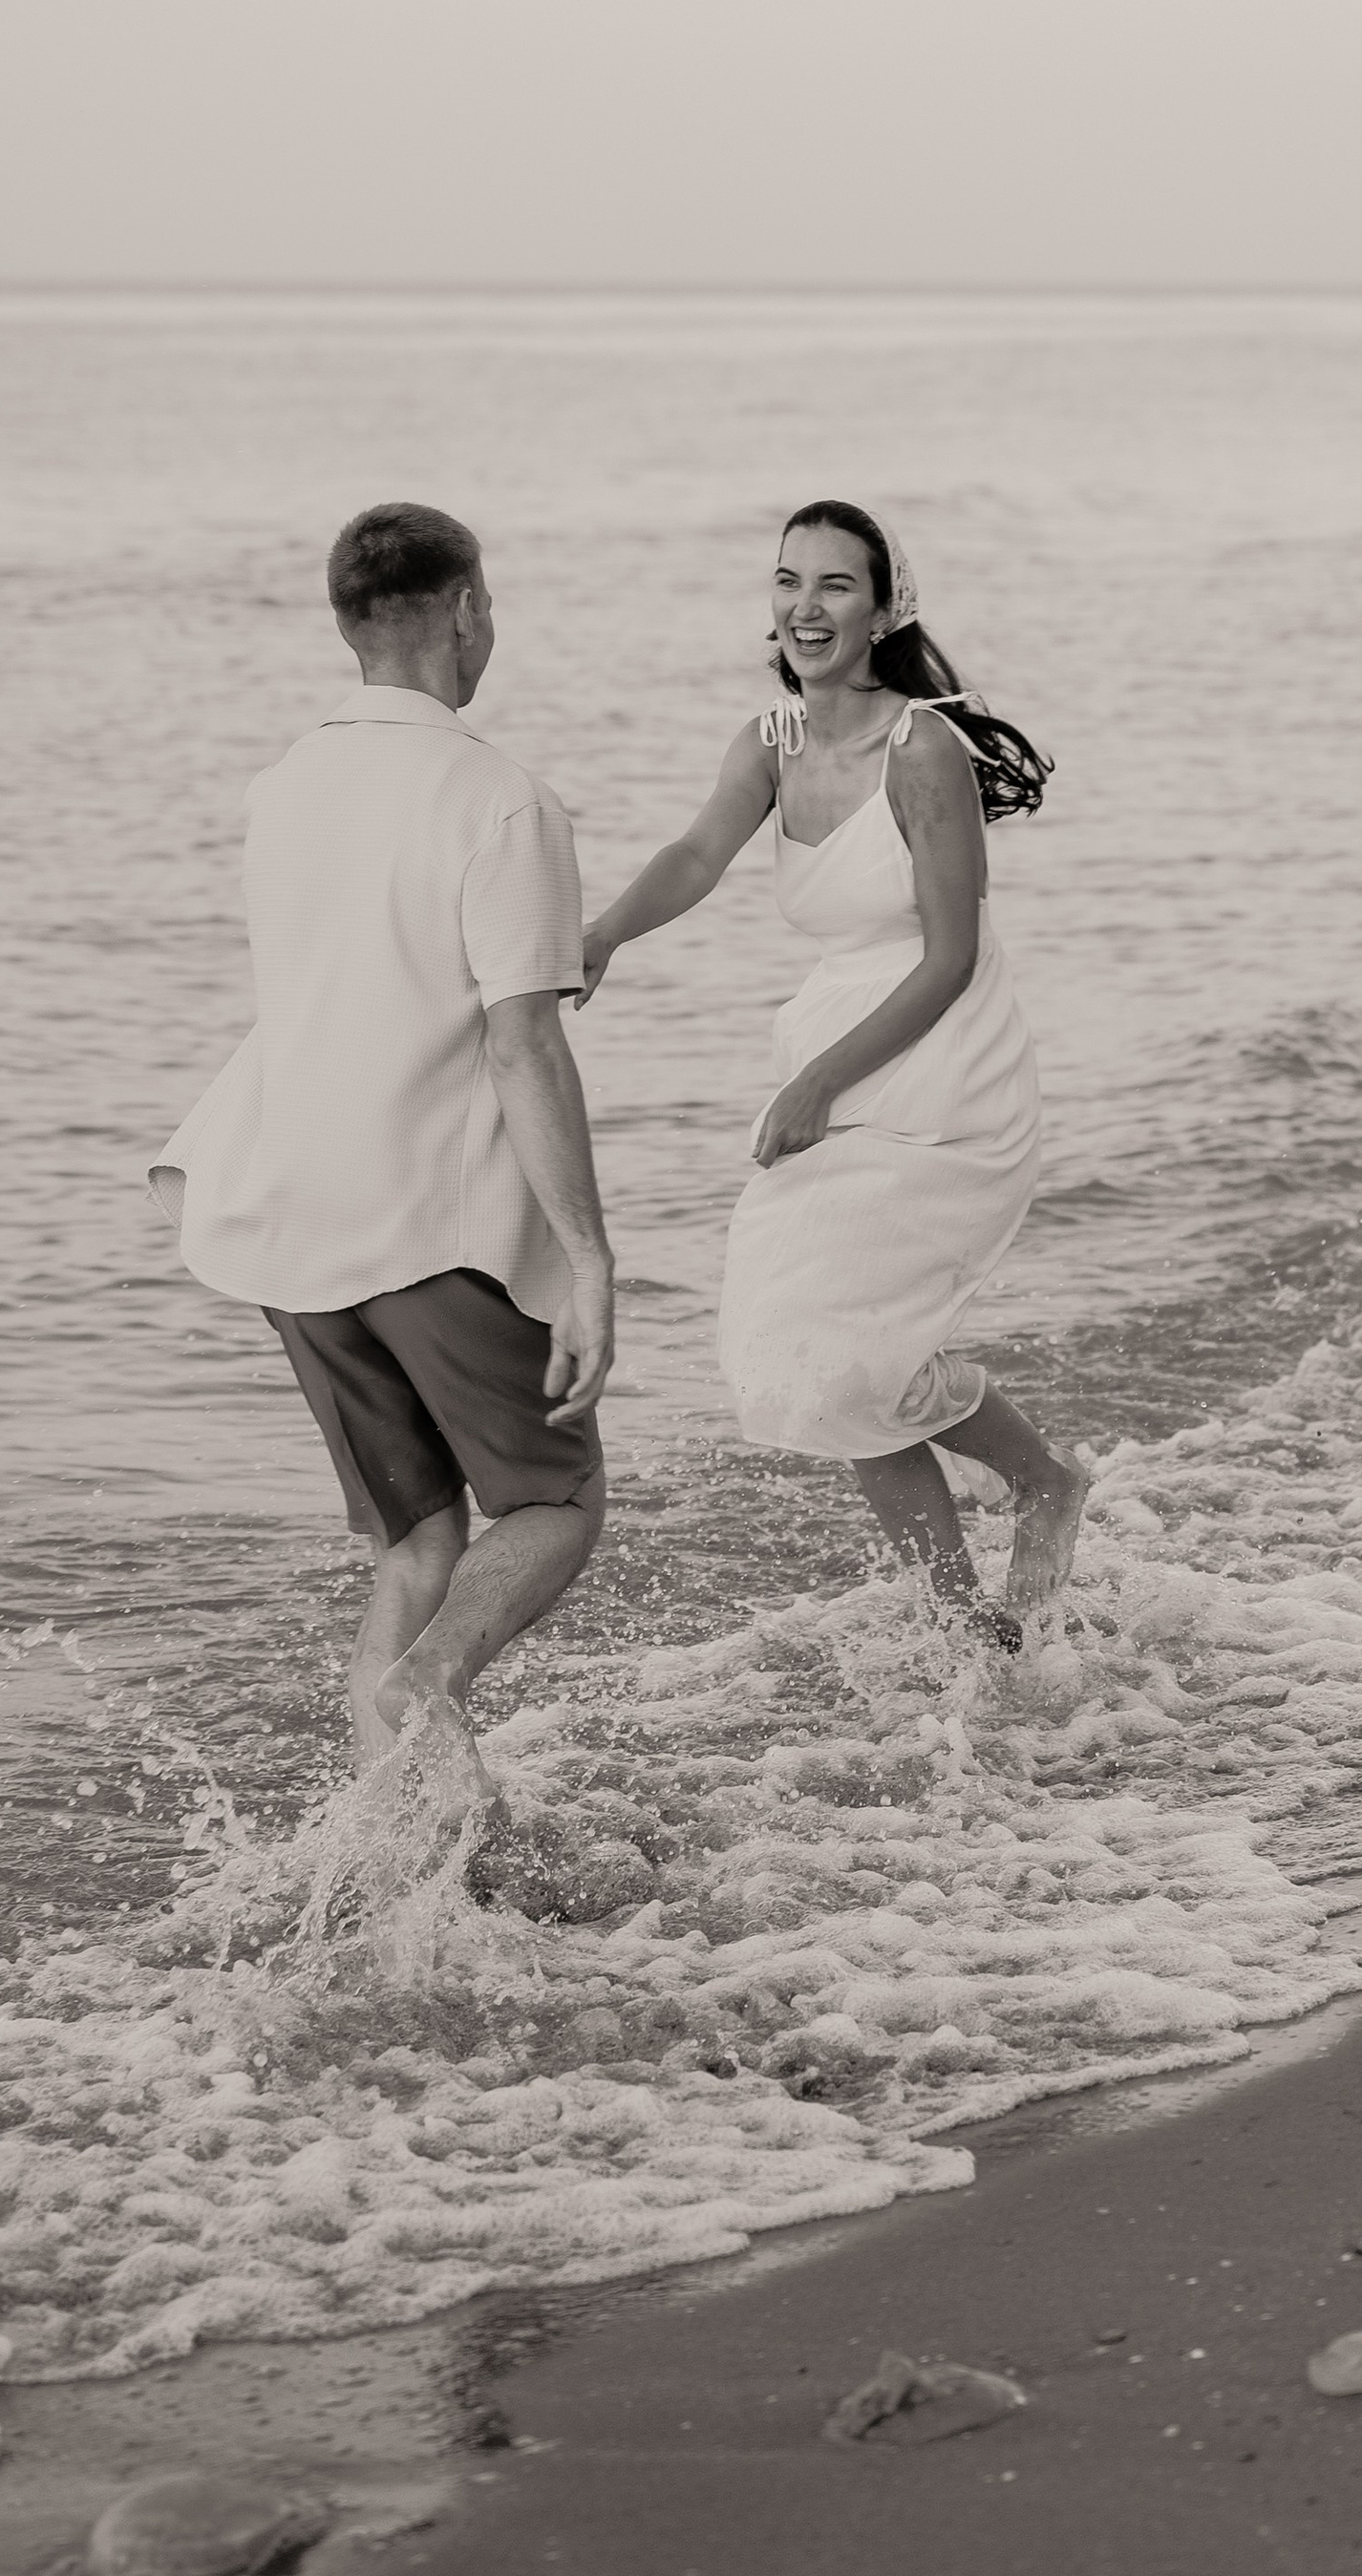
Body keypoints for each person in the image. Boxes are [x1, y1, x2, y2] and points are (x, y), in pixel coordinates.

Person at [151, 502, 613, 1788]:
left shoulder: (281, 788)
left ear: (350, 625)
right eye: (488, 608)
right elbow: (524, 1046)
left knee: (417, 1544)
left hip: (287, 1214)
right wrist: (588, 1259)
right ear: (465, 607)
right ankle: (429, 1693)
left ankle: (405, 1862)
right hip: (426, 1218)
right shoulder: (501, 799)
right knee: (550, 1507)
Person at [579, 500, 1084, 1653]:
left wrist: (814, 1085)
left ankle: (1036, 1498)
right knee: (813, 1354)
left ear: (883, 607)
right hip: (837, 1041)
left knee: (847, 1347)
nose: (805, 608)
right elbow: (696, 852)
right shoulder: (772, 739)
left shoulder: (924, 751)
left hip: (941, 1066)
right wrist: (603, 932)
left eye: (834, 586)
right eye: (787, 581)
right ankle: (974, 1618)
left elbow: (949, 957)